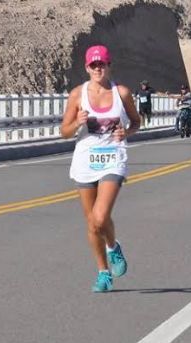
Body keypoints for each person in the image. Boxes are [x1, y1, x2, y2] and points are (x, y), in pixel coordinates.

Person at [61, 45, 141, 292]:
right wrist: (77, 122)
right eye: (93, 65)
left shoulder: (122, 93)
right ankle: (103, 272)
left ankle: (113, 246)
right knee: (92, 224)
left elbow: (137, 121)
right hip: (85, 160)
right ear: (87, 67)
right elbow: (64, 132)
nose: (98, 68)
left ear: (109, 66)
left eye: (102, 64)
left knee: (100, 216)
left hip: (113, 158)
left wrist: (125, 132)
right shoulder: (77, 94)